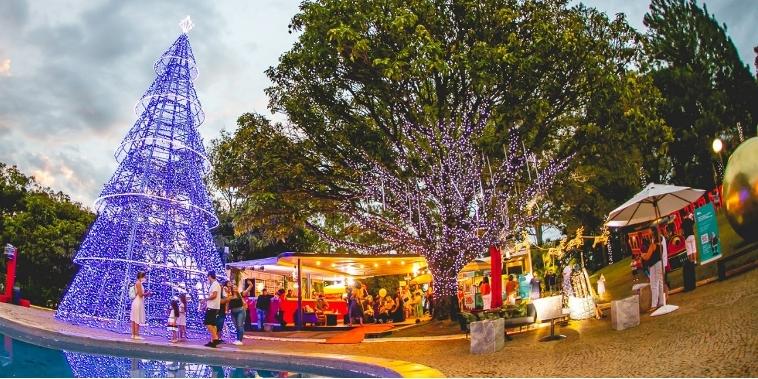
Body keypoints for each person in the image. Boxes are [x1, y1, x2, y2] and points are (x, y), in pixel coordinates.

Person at [641, 228, 665, 312]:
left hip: (654, 265)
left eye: (649, 231)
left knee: (653, 284)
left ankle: (654, 304)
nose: (648, 232)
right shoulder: (661, 246)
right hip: (660, 264)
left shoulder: (653, 245)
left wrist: (642, 255)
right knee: (661, 283)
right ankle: (662, 302)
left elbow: (647, 257)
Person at [203, 271, 221, 348]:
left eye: (208, 277)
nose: (207, 279)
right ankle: (212, 341)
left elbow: (214, 295)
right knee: (213, 324)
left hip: (213, 307)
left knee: (207, 323)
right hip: (213, 306)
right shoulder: (215, 284)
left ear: (210, 276)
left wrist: (206, 299)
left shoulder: (215, 284)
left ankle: (215, 338)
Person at [224, 280, 246, 346]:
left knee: (240, 325)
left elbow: (244, 302)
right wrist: (226, 310)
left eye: (236, 288)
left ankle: (240, 340)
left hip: (240, 311)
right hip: (233, 312)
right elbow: (227, 303)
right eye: (233, 288)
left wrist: (244, 306)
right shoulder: (230, 295)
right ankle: (237, 339)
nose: (235, 289)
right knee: (236, 326)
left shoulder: (240, 295)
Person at [130, 271, 150, 340]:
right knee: (136, 319)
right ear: (141, 277)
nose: (145, 278)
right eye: (144, 277)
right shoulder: (138, 283)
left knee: (134, 318)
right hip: (138, 302)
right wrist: (147, 293)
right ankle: (136, 334)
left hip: (138, 301)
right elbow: (140, 294)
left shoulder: (138, 283)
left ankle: (133, 334)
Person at [215, 279, 230, 344]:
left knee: (220, 324)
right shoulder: (222, 290)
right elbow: (225, 300)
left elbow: (226, 301)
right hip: (219, 310)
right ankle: (216, 338)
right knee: (218, 324)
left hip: (221, 310)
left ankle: (218, 338)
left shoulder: (226, 290)